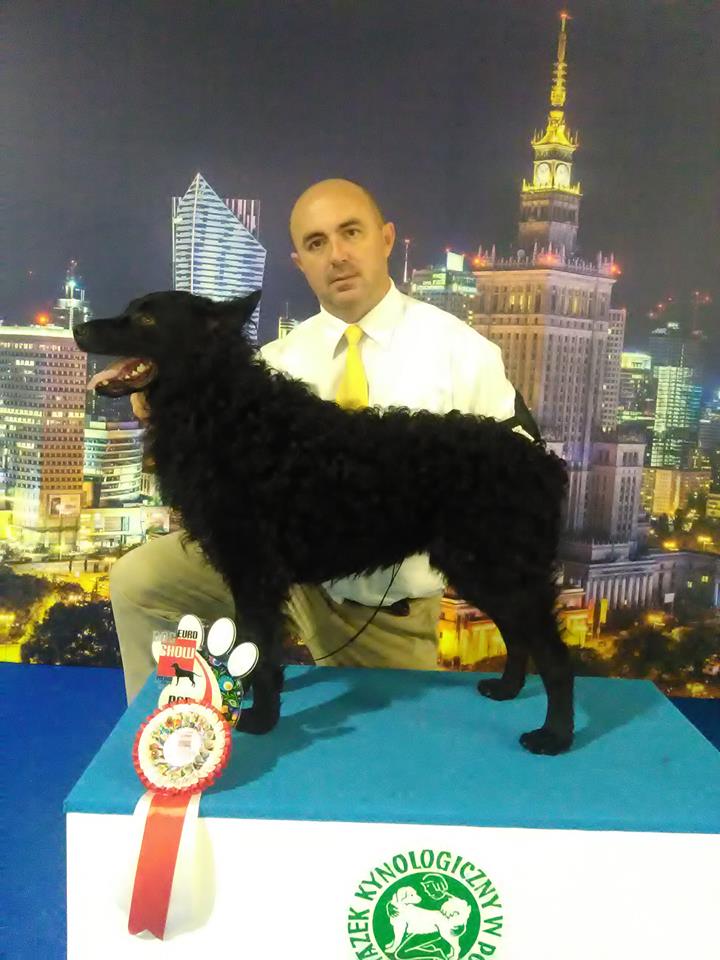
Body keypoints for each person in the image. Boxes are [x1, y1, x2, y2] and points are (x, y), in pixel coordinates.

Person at [110, 178, 532, 702]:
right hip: (277, 564)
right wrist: (155, 391)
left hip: (382, 606)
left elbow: (509, 484)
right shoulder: (272, 362)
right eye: (316, 243)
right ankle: (174, 727)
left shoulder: (465, 354)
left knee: (383, 748)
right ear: (300, 262)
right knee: (141, 579)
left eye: (351, 233)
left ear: (386, 238)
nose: (336, 255)